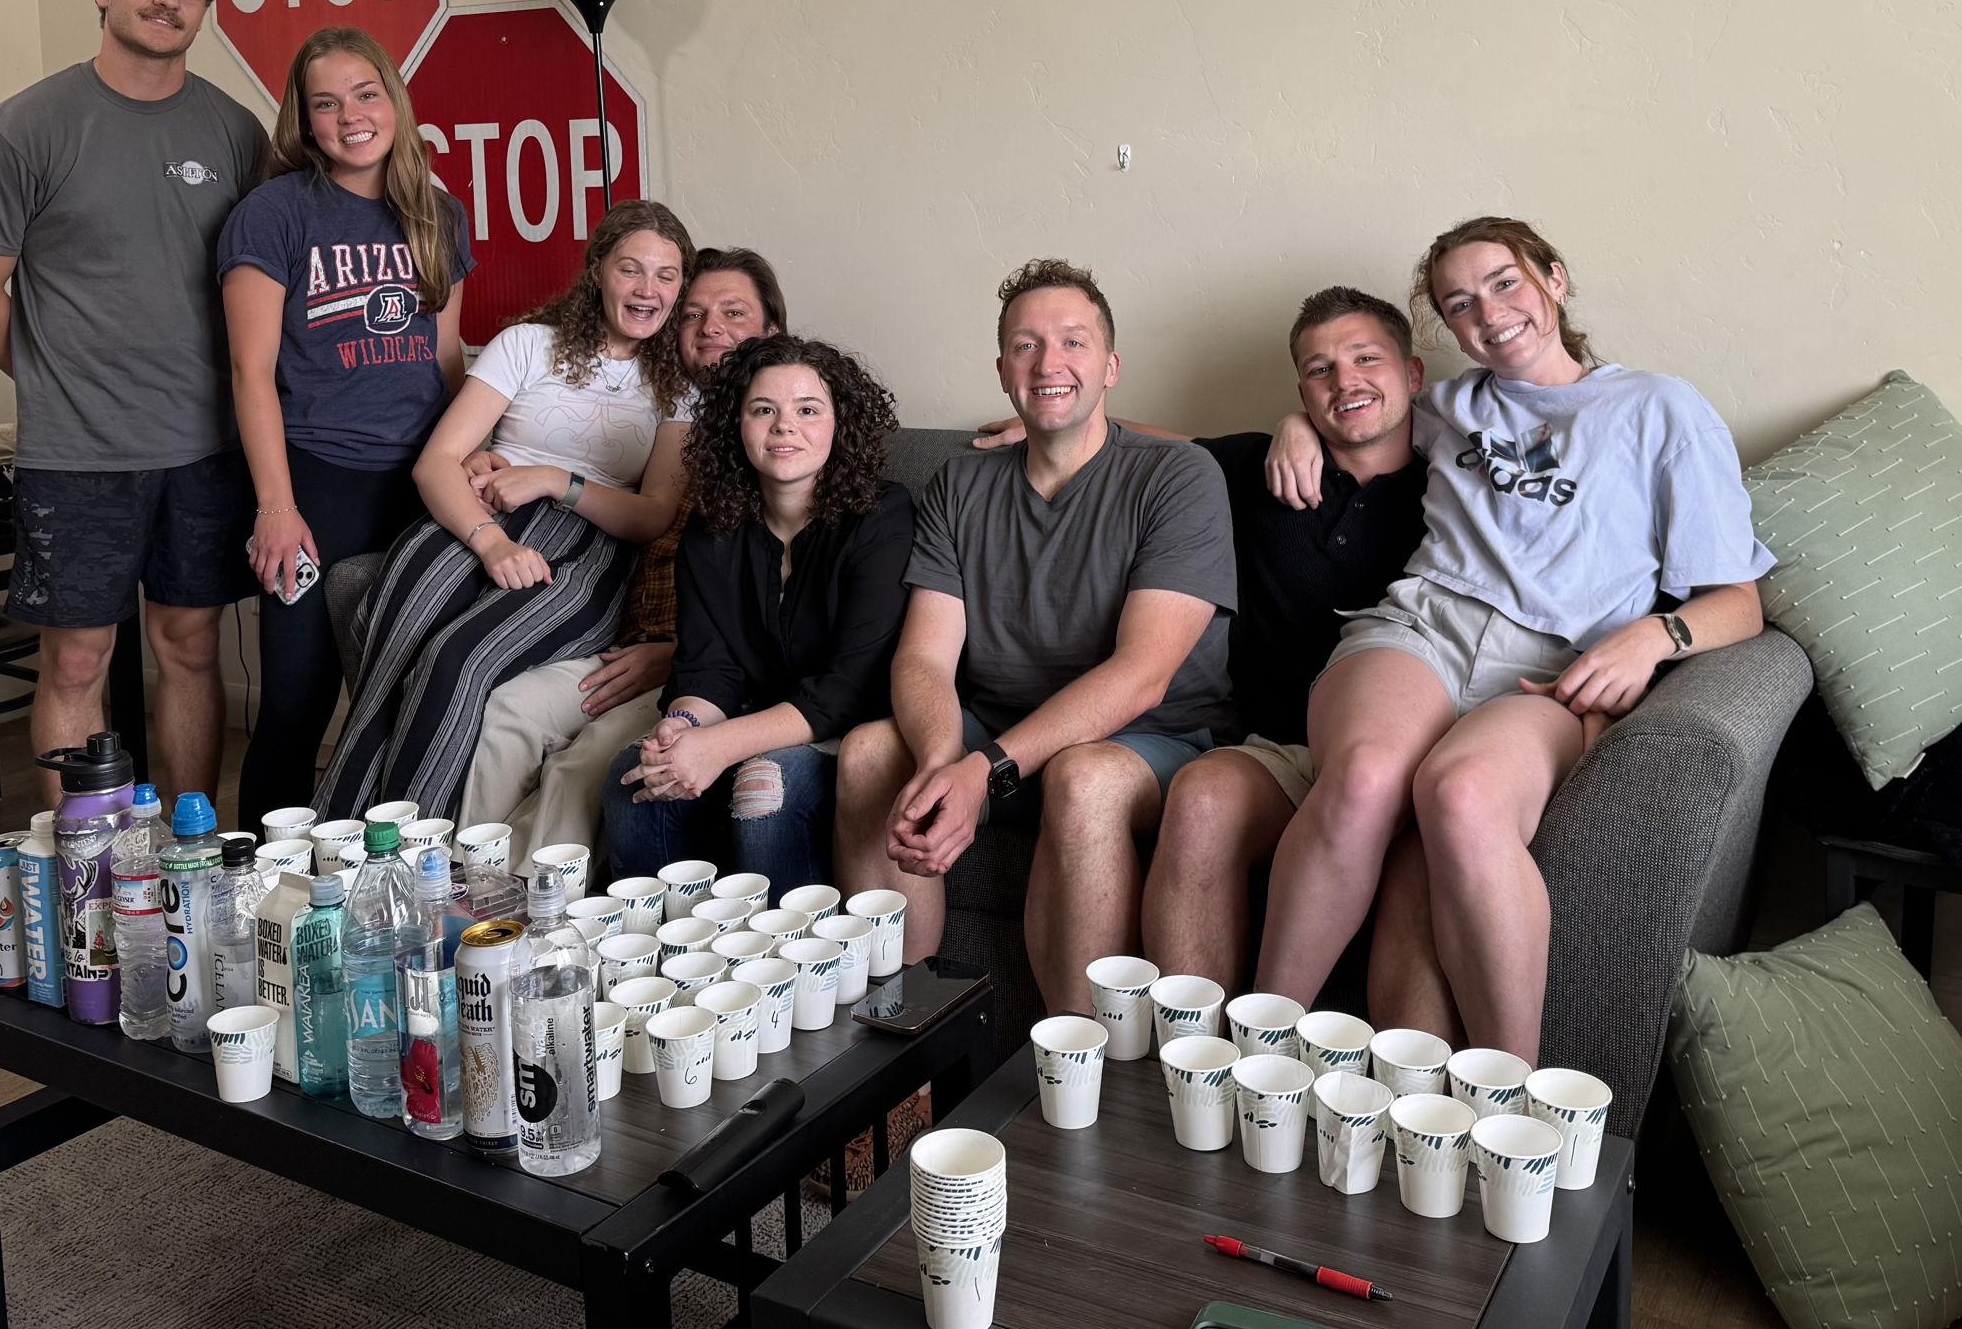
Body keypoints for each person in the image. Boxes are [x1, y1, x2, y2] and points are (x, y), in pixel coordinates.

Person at [1258, 216, 1772, 1060]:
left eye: (1503, 283)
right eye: (1459, 305)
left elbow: (1740, 602)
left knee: (1460, 796)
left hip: (1549, 666)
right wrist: (1293, 421)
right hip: (1421, 628)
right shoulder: (1448, 406)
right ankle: (1258, 1046)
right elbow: (1352, 406)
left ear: (1553, 280)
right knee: (1366, 778)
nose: (1488, 315)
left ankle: (1510, 1096)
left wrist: (1655, 636)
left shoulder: (1658, 409)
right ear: (1448, 331)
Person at [834, 259, 1236, 1015]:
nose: (1049, 363)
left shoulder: (1178, 476)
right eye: (1025, 345)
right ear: (1001, 370)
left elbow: (1143, 675)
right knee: (867, 756)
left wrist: (980, 771)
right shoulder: (961, 484)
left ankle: (1078, 1064)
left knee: (1082, 778)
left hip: (1148, 739)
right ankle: (900, 1041)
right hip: (997, 731)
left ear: (1110, 365)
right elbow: (923, 655)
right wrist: (935, 765)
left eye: (1073, 342)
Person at [0, 0, 266, 804]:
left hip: (205, 446)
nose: (169, 0)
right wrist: (61, 380)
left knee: (192, 647)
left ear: (204, 9)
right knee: (79, 656)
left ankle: (192, 859)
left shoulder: (236, 132)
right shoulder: (26, 127)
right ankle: (86, 878)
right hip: (78, 456)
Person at [310, 200, 695, 819]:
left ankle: (414, 860)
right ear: (597, 270)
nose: (647, 289)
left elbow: (651, 515)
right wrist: (491, 541)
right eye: (631, 269)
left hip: (588, 549)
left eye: (666, 275)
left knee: (457, 659)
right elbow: (436, 463)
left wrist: (554, 481)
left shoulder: (681, 389)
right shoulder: (526, 344)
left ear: (679, 288)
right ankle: (338, 849)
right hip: (478, 519)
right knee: (393, 639)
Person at [218, 27, 474, 826]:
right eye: (324, 103)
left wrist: (472, 464)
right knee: (296, 698)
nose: (349, 115)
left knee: (406, 692)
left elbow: (447, 359)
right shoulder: (273, 214)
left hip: (420, 482)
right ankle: (264, 880)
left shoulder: (436, 212)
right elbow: (249, 372)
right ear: (303, 120)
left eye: (365, 93)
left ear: (392, 101)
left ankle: (389, 880)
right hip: (315, 478)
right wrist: (275, 505)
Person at [458, 247, 788, 867]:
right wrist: (481, 453)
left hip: (703, 673)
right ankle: (462, 887)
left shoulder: (789, 434)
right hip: (625, 643)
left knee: (581, 765)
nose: (710, 327)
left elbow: (785, 602)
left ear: (771, 330)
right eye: (692, 315)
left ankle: (530, 924)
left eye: (733, 313)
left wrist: (675, 656)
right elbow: (568, 440)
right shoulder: (667, 420)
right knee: (508, 712)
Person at [1137, 289, 1428, 986]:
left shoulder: (1459, 487)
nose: (1344, 381)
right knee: (1201, 799)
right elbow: (1153, 449)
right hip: (1282, 750)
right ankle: (1193, 1071)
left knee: (1419, 869)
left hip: (1408, 755)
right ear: (1301, 389)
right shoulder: (1257, 467)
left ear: (1413, 375)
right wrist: (1042, 426)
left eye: (1365, 359)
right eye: (1319, 370)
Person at [603, 334, 913, 889]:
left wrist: (720, 745)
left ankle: (783, 968)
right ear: (734, 425)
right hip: (755, 712)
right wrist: (681, 730)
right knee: (636, 776)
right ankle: (662, 965)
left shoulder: (883, 516)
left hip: (856, 729)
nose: (784, 425)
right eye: (763, 409)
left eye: (808, 409)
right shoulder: (710, 527)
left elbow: (848, 688)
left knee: (764, 786)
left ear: (840, 424)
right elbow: (708, 667)